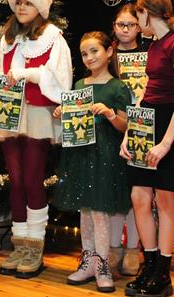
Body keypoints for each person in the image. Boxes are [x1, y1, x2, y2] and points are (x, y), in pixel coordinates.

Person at [0, 0, 72, 278]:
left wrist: (27, 74)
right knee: (16, 180)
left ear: (40, 6)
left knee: (33, 180)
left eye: (28, 2)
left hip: (37, 113)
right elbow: (3, 72)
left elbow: (60, 78)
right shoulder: (8, 37)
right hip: (10, 113)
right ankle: (19, 244)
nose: (21, 7)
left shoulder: (53, 37)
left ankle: (35, 247)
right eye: (18, 2)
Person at [119, 0, 174, 297]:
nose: (137, 23)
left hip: (169, 125)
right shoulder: (154, 45)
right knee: (139, 196)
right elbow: (146, 93)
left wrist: (165, 143)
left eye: (137, 15)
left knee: (164, 198)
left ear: (146, 12)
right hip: (147, 121)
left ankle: (163, 272)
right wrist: (130, 133)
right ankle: (148, 265)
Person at [53, 31, 131, 293]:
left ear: (109, 52)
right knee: (85, 210)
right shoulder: (79, 84)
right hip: (81, 154)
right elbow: (74, 118)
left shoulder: (118, 87)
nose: (89, 57)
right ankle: (87, 262)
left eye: (94, 51)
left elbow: (125, 125)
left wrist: (109, 114)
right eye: (84, 53)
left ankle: (102, 265)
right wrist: (62, 111)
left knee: (99, 212)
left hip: (105, 156)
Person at [109, 3, 149, 276]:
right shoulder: (108, 54)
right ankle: (113, 248)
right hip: (112, 127)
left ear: (139, 27)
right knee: (114, 191)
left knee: (139, 191)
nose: (125, 30)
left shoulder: (149, 53)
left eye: (130, 25)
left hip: (142, 126)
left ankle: (134, 250)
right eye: (120, 24)